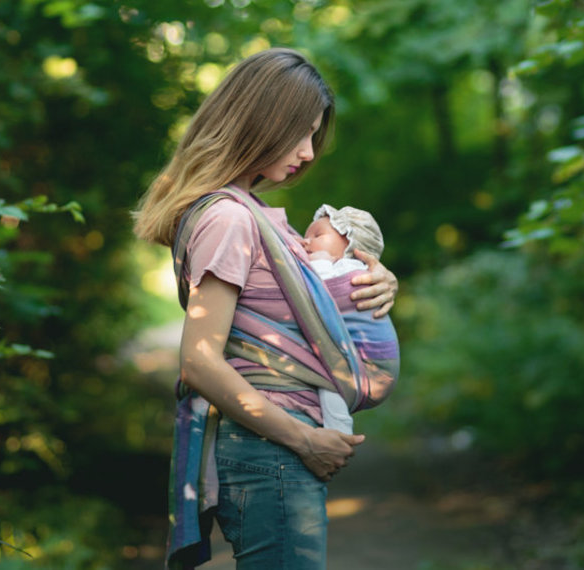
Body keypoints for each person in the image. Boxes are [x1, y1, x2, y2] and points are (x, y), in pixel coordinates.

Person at [131, 48, 400, 570]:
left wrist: (377, 282)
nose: (308, 151)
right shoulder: (229, 219)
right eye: (299, 132)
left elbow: (309, 299)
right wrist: (306, 440)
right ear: (260, 122)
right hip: (270, 449)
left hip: (271, 450)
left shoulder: (249, 213)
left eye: (314, 136)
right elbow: (199, 361)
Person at [301, 204, 392, 435]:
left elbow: (322, 293)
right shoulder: (337, 267)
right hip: (357, 363)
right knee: (329, 380)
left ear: (351, 244)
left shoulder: (351, 271)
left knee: (333, 381)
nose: (305, 242)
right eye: (305, 236)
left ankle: (339, 431)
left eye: (317, 235)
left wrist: (319, 263)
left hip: (371, 362)